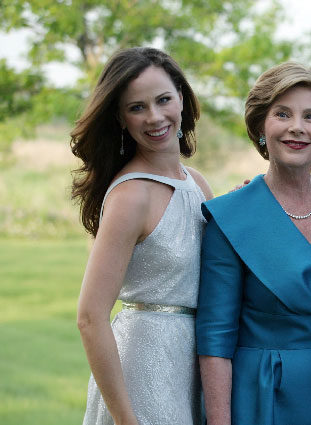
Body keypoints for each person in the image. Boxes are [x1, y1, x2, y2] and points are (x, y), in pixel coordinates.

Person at [196, 61, 311, 425]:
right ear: (261, 126)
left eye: (310, 116)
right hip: (262, 395)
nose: (297, 128)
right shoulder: (232, 217)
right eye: (282, 114)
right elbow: (215, 341)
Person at [71, 47, 212, 425]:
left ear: (181, 98)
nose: (154, 117)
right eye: (136, 107)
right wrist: (125, 419)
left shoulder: (196, 183)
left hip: (193, 363)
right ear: (120, 118)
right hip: (143, 368)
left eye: (163, 99)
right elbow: (89, 316)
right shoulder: (132, 195)